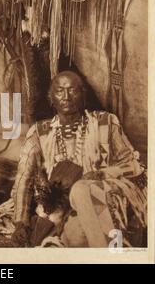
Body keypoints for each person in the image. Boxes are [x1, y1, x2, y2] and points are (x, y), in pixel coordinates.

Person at [11, 71, 147, 247]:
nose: (66, 97)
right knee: (75, 236)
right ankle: (114, 250)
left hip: (106, 196)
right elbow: (24, 179)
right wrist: (20, 223)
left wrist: (102, 174)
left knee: (81, 189)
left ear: (83, 94)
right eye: (60, 91)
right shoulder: (39, 132)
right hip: (65, 210)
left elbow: (133, 166)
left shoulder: (105, 122)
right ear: (51, 97)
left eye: (73, 90)